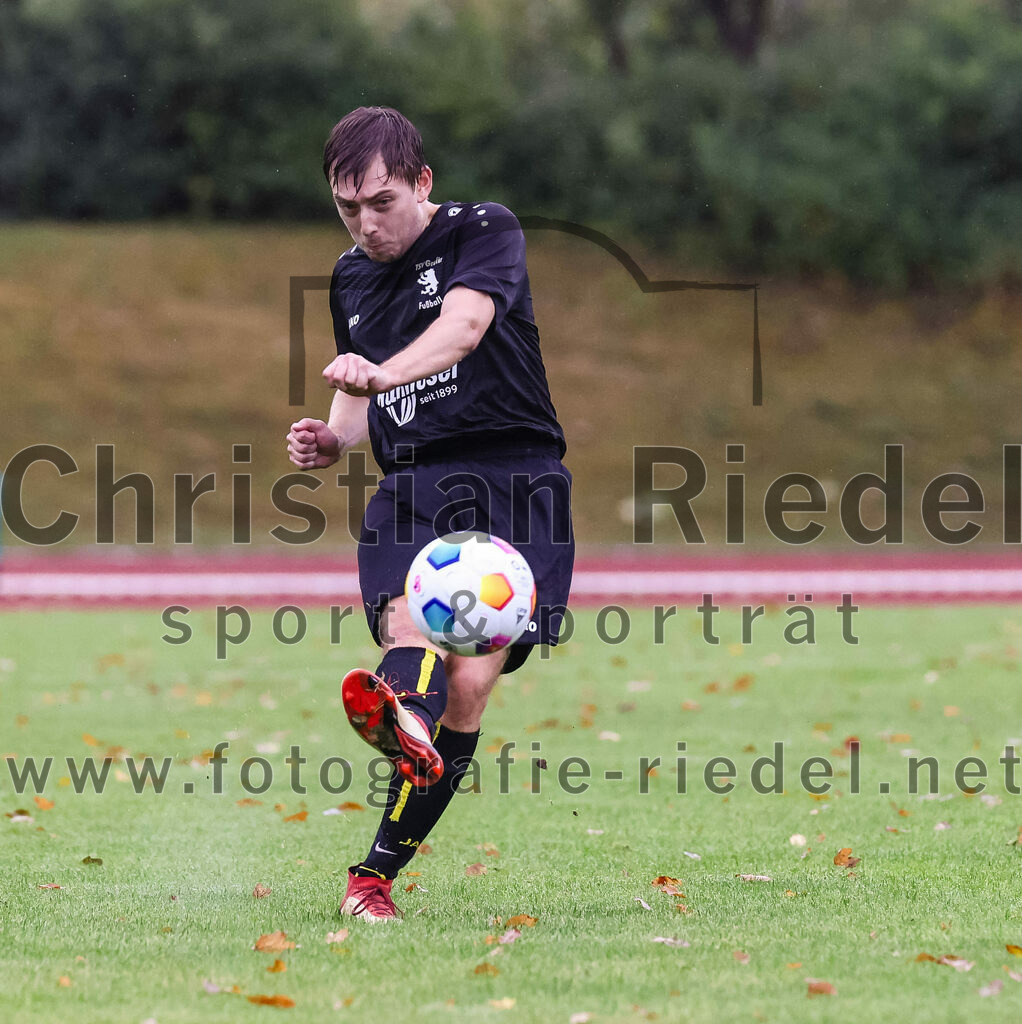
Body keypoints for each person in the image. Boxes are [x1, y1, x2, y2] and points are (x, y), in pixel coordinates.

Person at [286, 106, 573, 922]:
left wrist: (382, 376)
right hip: (416, 481)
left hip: (517, 477)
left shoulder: (485, 229)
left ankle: (374, 865)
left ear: (422, 183)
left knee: (472, 685)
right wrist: (331, 440)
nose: (366, 224)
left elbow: (465, 327)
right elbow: (356, 399)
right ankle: (400, 734)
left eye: (382, 202)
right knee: (408, 628)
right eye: (348, 208)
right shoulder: (350, 276)